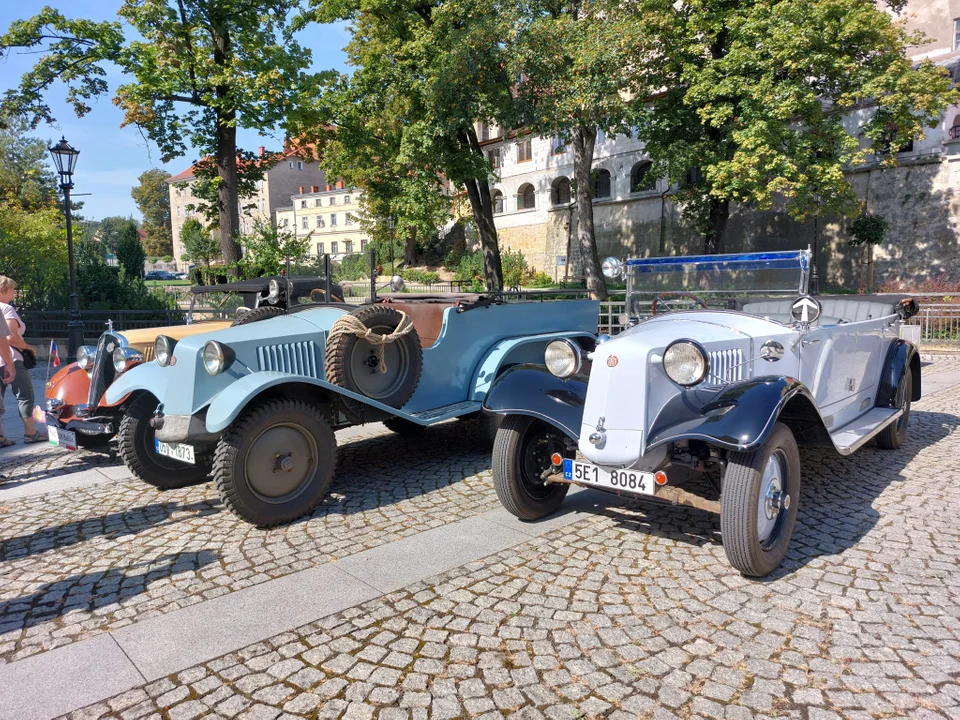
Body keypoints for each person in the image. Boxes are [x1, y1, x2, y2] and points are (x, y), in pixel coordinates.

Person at [0, 276, 43, 444]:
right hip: (11, 358)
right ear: (3, 291)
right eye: (12, 289)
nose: (14, 292)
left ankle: (1, 437)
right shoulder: (7, 309)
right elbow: (10, 337)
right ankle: (31, 432)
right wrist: (27, 347)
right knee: (25, 395)